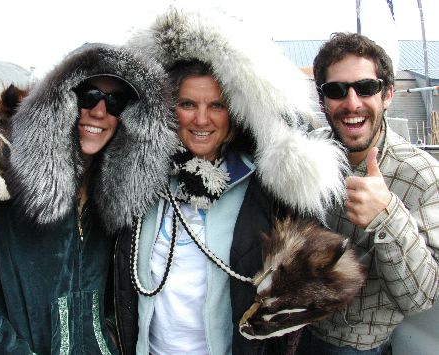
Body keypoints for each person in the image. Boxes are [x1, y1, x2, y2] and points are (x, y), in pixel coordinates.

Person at [113, 9, 350, 355]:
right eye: (187, 104)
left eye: (217, 105)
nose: (202, 119)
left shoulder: (263, 191)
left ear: (236, 115)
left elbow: (325, 279)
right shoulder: (141, 181)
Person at [0, 43, 176, 354]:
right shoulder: (1, 172)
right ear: (60, 99)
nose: (99, 111)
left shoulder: (122, 191)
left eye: (115, 102)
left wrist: (108, 337)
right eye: (87, 96)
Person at [297, 32, 439, 354]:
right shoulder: (309, 153)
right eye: (336, 91)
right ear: (322, 101)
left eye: (365, 87)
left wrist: (386, 215)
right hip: (292, 331)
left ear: (387, 94)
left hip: (355, 346)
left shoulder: (420, 175)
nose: (352, 103)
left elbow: (421, 297)